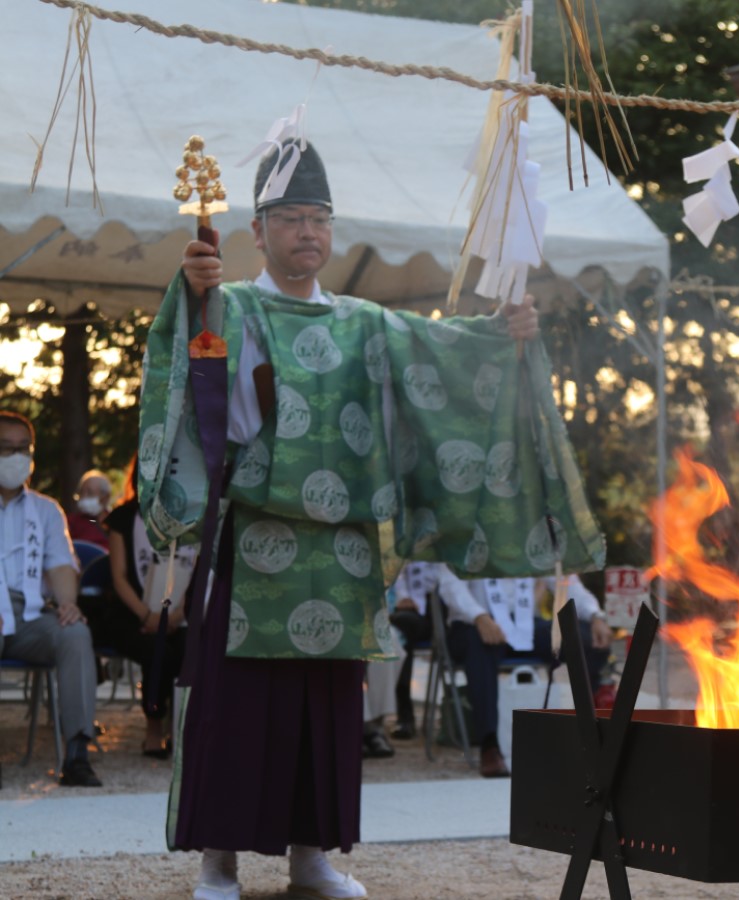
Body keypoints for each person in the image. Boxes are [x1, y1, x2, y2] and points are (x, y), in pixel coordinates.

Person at [139, 139, 604, 900]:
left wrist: (499, 336)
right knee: (235, 712)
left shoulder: (364, 322)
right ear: (259, 230)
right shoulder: (238, 303)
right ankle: (217, 859)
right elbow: (202, 387)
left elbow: (443, 354)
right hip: (259, 542)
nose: (307, 232)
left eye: (318, 217)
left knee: (325, 715)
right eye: (289, 218)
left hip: (346, 547)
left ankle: (310, 857)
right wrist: (195, 298)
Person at [389, 563, 612, 778]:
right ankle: (489, 744)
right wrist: (479, 616)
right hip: (472, 624)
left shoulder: (530, 538)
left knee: (586, 640)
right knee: (480, 646)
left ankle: (585, 736)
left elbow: (566, 582)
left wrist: (595, 615)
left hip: (523, 624)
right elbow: (450, 586)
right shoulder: (464, 535)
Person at [0, 410, 102, 787]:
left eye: (22, 449)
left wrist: (67, 603)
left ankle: (77, 752)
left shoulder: (45, 509)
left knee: (75, 634)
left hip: (29, 613)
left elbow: (60, 563)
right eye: (5, 449)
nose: (15, 457)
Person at [102, 456, 191, 758]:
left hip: (178, 615)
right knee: (156, 650)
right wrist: (148, 616)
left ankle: (177, 727)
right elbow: (119, 577)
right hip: (131, 615)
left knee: (186, 646)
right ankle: (153, 726)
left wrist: (177, 615)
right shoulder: (123, 518)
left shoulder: (191, 518)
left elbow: (194, 571)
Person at [66, 469, 112, 550]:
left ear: (105, 497)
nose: (84, 496)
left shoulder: (116, 523)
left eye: (90, 493)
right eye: (81, 492)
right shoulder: (71, 522)